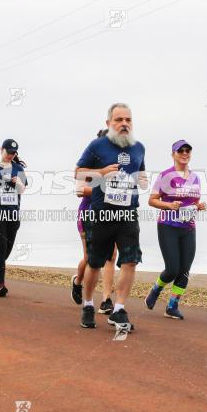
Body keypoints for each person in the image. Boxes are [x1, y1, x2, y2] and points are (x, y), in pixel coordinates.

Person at [75, 103, 146, 331]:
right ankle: (87, 304)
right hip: (102, 212)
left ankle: (118, 309)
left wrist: (141, 181)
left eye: (128, 120)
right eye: (118, 120)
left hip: (127, 213)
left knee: (130, 259)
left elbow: (141, 174)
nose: (124, 124)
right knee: (95, 262)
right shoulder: (97, 146)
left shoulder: (139, 148)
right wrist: (102, 173)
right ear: (109, 123)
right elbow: (78, 173)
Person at [145, 140, 206, 320]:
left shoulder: (196, 178)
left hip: (188, 227)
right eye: (181, 151)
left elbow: (193, 202)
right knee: (172, 269)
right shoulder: (165, 176)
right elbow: (152, 200)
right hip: (168, 226)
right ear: (173, 154)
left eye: (188, 150)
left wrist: (199, 206)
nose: (185, 153)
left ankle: (172, 306)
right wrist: (169, 205)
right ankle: (156, 289)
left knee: (185, 270)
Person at [71, 129, 117, 313]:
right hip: (88, 213)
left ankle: (106, 300)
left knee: (111, 256)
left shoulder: (117, 165)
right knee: (91, 258)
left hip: (110, 214)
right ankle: (77, 282)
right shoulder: (89, 165)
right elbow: (80, 191)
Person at [0, 139, 27, 297]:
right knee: (1, 247)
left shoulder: (18, 168)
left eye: (13, 153)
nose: (10, 155)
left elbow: (22, 190)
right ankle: (1, 285)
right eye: (8, 152)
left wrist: (18, 183)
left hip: (13, 213)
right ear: (1, 149)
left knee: (7, 249)